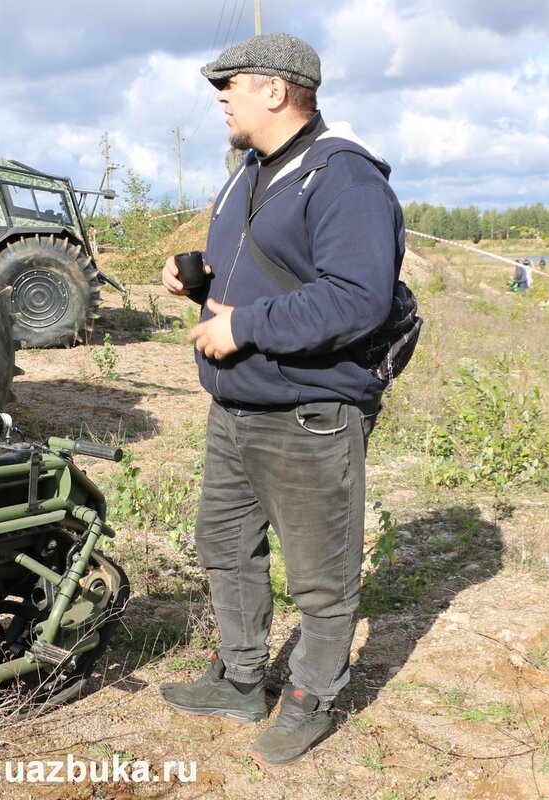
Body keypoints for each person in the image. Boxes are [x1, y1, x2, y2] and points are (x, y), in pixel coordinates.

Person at [159, 32, 405, 766]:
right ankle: (240, 679)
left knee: (319, 579)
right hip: (235, 409)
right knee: (224, 549)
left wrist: (245, 325)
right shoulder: (249, 173)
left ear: (276, 89)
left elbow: (358, 299)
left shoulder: (344, 178)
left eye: (227, 83)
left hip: (308, 413)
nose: (219, 97)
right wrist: (200, 280)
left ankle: (310, 698)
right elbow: (271, 272)